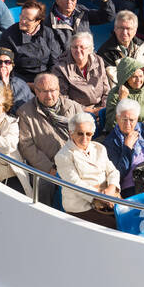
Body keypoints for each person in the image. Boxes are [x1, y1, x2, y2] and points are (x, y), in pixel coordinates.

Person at [17, 74, 83, 205]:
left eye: (53, 90)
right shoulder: (25, 112)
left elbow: (86, 135)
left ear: (58, 89)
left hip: (75, 159)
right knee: (44, 185)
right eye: (44, 91)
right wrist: (49, 169)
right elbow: (26, 146)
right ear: (36, 91)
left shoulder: (74, 107)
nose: (49, 96)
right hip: (48, 166)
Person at [53, 112, 120, 227]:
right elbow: (75, 184)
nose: (85, 138)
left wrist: (111, 188)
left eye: (88, 134)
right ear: (71, 133)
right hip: (81, 207)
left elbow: (113, 171)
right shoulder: (63, 156)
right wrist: (101, 196)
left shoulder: (99, 148)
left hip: (109, 197)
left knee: (130, 218)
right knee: (115, 226)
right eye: (80, 133)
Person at [105, 99, 144, 195]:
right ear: (117, 118)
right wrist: (127, 148)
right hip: (130, 187)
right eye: (124, 119)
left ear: (137, 119)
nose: (128, 124)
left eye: (132, 120)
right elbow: (118, 174)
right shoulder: (110, 141)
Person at [0, 0, 62, 82]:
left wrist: (48, 79)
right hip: (19, 80)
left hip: (44, 79)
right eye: (22, 16)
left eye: (28, 19)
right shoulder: (9, 35)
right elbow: (5, 66)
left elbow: (55, 61)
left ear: (38, 21)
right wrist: (27, 85)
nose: (23, 21)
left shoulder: (48, 33)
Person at [96, 9, 144, 90]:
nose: (124, 32)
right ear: (115, 29)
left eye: (128, 28)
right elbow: (113, 84)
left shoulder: (143, 48)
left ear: (135, 30)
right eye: (121, 28)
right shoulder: (105, 53)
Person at [46, 0, 112, 53]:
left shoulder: (81, 11)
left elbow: (107, 17)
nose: (69, 2)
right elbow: (55, 55)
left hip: (90, 58)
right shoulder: (49, 24)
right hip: (66, 63)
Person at [51, 31, 110, 113]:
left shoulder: (98, 61)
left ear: (90, 49)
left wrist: (104, 108)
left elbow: (106, 90)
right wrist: (90, 111)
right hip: (76, 111)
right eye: (74, 47)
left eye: (82, 47)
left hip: (101, 107)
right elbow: (63, 99)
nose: (78, 50)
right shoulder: (60, 68)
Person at [103, 57, 144, 133]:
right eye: (134, 77)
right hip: (121, 135)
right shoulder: (115, 94)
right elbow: (111, 125)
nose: (138, 80)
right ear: (126, 78)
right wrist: (122, 101)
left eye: (141, 76)